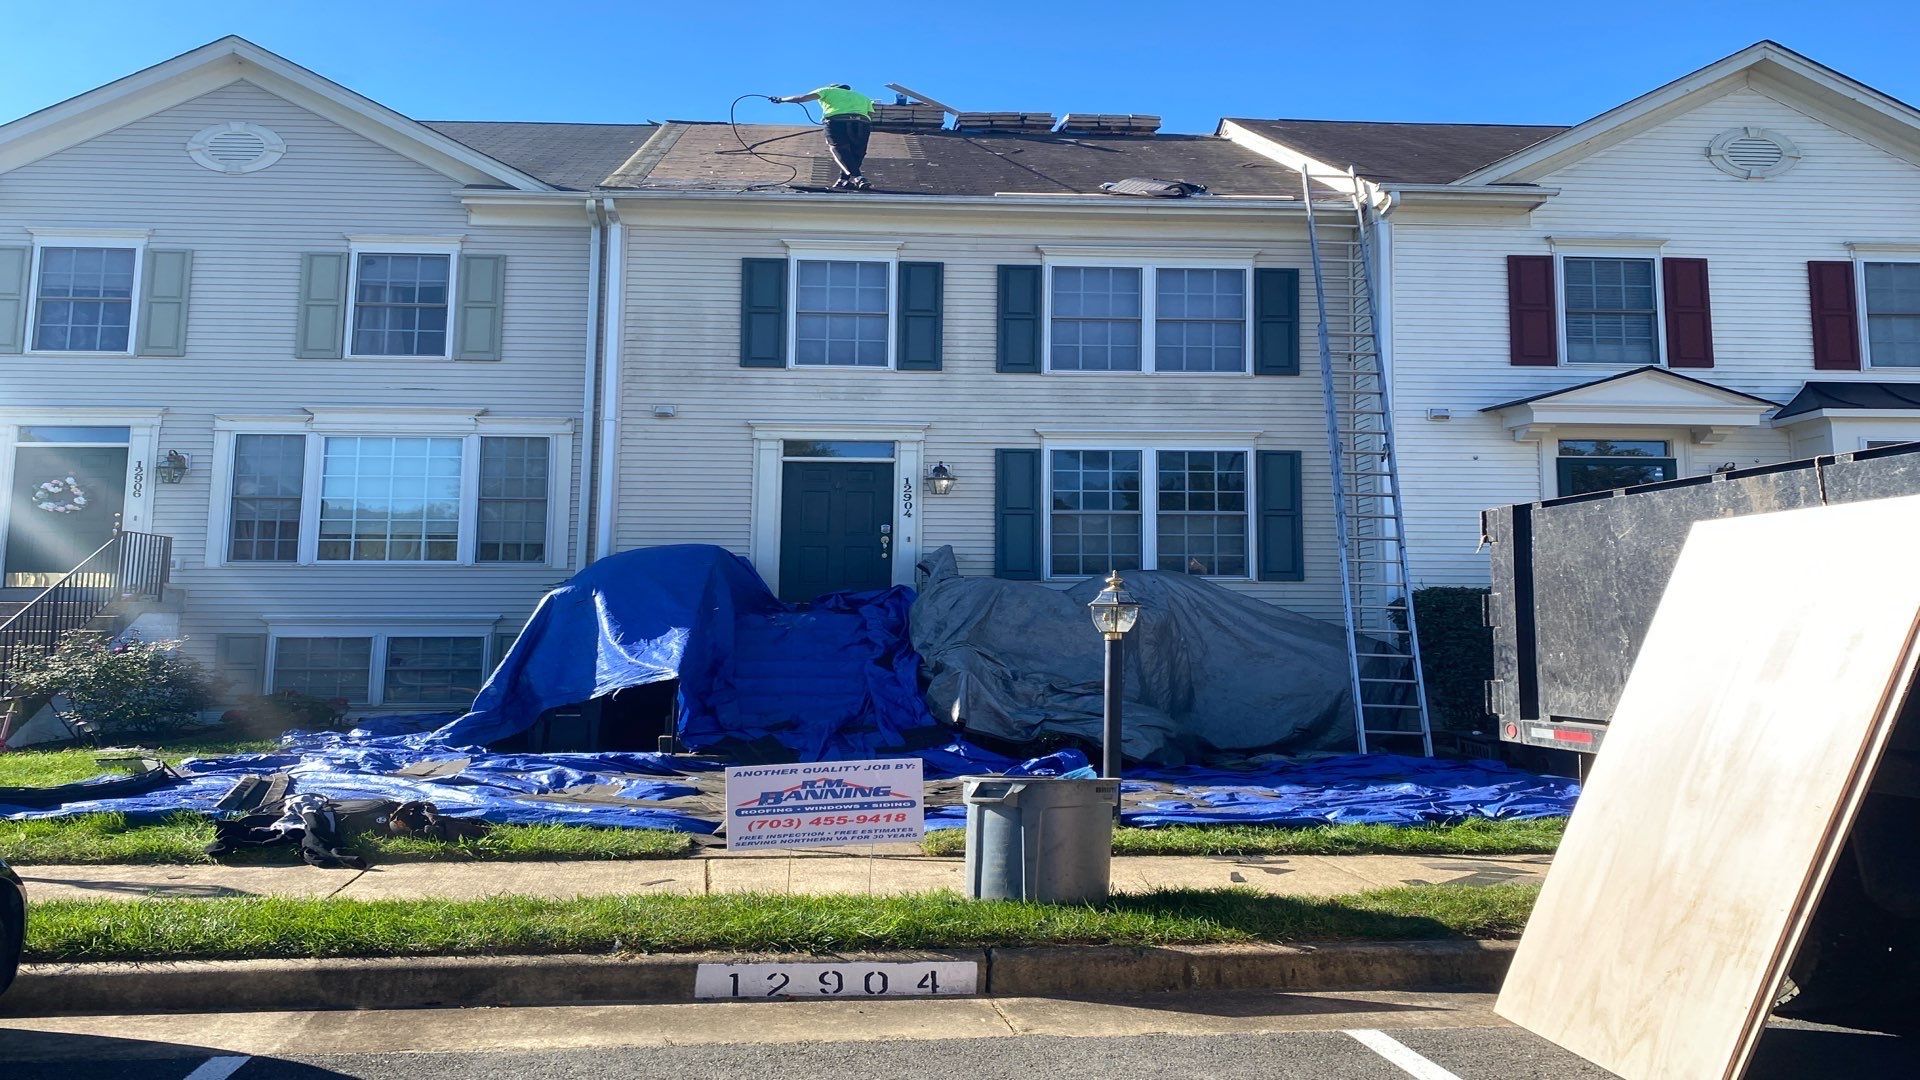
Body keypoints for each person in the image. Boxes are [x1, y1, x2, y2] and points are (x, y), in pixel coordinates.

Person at [771, 84, 874, 190]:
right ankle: (843, 181)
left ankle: (858, 178)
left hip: (838, 121)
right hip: (863, 123)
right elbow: (870, 114)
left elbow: (803, 98)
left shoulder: (828, 90)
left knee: (839, 149)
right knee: (856, 153)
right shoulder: (863, 97)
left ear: (835, 87)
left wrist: (781, 99)